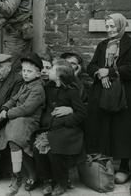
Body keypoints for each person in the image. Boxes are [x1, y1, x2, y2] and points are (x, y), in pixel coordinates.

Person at [0, 52, 45, 196]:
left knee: (15, 141)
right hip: (18, 119)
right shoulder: (26, 85)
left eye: (29, 71)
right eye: (23, 70)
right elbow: (14, 99)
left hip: (29, 121)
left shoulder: (38, 89)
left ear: (38, 74)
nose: (25, 74)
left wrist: (8, 113)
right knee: (0, 138)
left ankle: (17, 176)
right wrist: (6, 107)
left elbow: (27, 108)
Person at [85, 13, 131, 184]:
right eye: (107, 26)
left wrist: (109, 72)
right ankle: (106, 165)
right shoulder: (103, 45)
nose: (109, 30)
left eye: (113, 26)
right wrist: (98, 72)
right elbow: (91, 66)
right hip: (103, 94)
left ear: (121, 26)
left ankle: (125, 167)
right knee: (104, 127)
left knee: (124, 129)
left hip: (125, 95)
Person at [33, 60, 87, 196]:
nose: (48, 71)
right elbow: (44, 109)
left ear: (58, 75)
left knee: (54, 150)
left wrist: (67, 116)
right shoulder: (48, 88)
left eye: (51, 69)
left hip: (68, 130)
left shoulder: (72, 91)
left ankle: (62, 182)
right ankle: (47, 180)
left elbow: (81, 114)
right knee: (36, 147)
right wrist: (47, 121)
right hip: (50, 128)